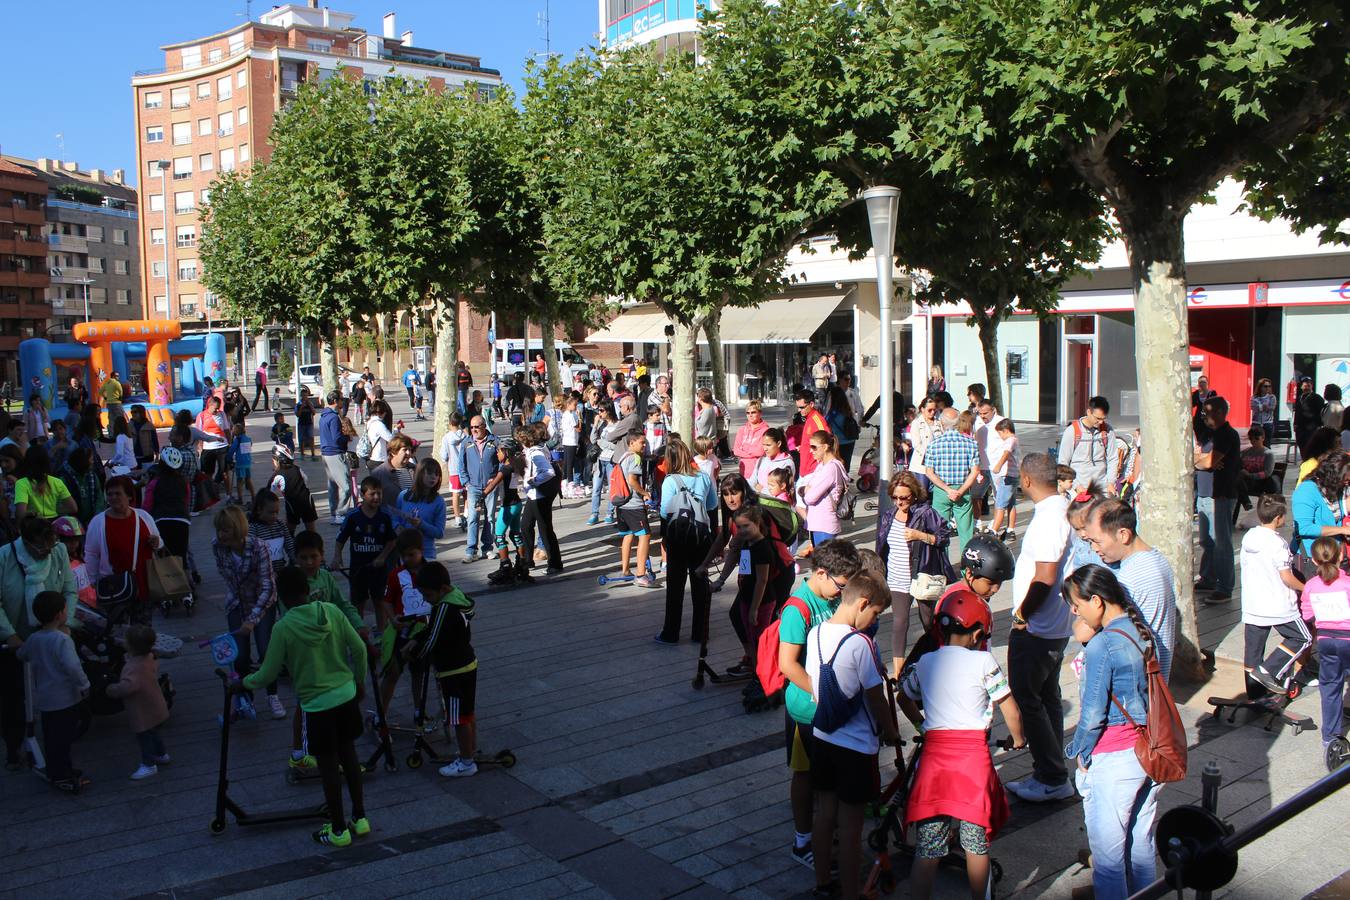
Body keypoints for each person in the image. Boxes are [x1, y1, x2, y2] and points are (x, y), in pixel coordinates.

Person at [899, 589, 1025, 900]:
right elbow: (1010, 708)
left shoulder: (926, 662)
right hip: (972, 766)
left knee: (928, 848)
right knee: (975, 845)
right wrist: (1018, 738)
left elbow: (904, 695)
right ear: (979, 633)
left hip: (934, 766)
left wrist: (922, 725)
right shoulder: (984, 663)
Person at [241, 565, 369, 846]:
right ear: (307, 589)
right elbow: (359, 649)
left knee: (327, 768)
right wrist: (359, 683)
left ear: (281, 598)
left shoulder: (283, 627)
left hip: (316, 706)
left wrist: (243, 683)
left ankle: (337, 830)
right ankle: (359, 818)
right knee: (349, 757)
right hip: (346, 696)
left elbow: (268, 673)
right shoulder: (332, 612)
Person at [1060, 564, 1166, 898]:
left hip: (1116, 757)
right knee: (1140, 845)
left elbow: (1092, 715)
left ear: (1097, 601)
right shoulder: (1142, 631)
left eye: (1077, 605)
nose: (1074, 613)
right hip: (1149, 751)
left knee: (1107, 860)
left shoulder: (1102, 646)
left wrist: (1078, 752)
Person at [805, 573, 897, 900]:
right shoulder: (860, 643)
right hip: (855, 748)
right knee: (851, 827)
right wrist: (890, 731)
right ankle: (851, 892)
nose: (873, 621)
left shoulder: (816, 633)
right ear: (861, 604)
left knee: (825, 815)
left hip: (822, 738)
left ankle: (821, 883)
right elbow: (876, 698)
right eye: (875, 613)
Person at [779, 539, 862, 869]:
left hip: (833, 708)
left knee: (828, 778)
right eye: (841, 586)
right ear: (823, 573)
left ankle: (827, 831)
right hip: (806, 709)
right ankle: (802, 840)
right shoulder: (798, 608)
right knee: (805, 774)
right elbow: (788, 664)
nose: (843, 593)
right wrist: (821, 691)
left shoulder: (833, 598)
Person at [1004, 452, 1075, 803]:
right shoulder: (1062, 510)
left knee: (1027, 698)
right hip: (1054, 625)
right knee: (1047, 696)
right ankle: (1052, 768)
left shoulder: (1050, 519)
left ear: (1027, 480)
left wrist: (1021, 615)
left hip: (1038, 627)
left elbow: (1045, 577)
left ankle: (1051, 774)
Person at [0, 517, 78, 770]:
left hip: (53, 635)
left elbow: (69, 589)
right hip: (17, 636)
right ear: (26, 542)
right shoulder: (4, 556)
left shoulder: (59, 551)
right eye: (41, 547)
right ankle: (13, 747)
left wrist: (66, 623)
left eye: (51, 543)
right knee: (12, 696)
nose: (48, 550)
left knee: (56, 692)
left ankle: (58, 746)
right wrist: (9, 635)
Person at [1084, 499, 1179, 680]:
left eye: (1097, 541)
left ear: (1123, 535)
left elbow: (1086, 630)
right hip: (1153, 678)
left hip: (1135, 686)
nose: (1094, 548)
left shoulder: (1129, 577)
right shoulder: (1157, 559)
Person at [876, 472, 955, 675]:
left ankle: (937, 660)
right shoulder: (889, 515)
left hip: (922, 576)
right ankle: (899, 672)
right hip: (896, 577)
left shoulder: (925, 512)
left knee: (928, 621)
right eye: (895, 497)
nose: (899, 502)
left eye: (904, 497)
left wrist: (920, 536)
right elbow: (882, 547)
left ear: (914, 495)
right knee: (899, 623)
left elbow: (944, 536)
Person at [406, 562, 480, 777]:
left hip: (453, 670)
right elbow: (432, 631)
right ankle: (470, 750)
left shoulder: (444, 607)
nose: (426, 599)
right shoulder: (457, 597)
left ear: (443, 589)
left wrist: (415, 651)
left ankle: (466, 762)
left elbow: (432, 638)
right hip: (467, 664)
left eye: (428, 595)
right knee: (468, 713)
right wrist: (417, 638)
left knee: (458, 718)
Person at [213, 504, 283, 719]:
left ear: (237, 528)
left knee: (265, 651)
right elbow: (229, 579)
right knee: (240, 656)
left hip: (262, 602)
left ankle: (273, 695)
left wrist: (253, 619)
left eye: (226, 529)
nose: (221, 535)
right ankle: (244, 699)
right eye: (219, 529)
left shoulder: (258, 547)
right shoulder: (218, 547)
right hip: (237, 602)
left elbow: (268, 586)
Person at [1237, 494, 1311, 695]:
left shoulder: (1248, 538)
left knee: (1253, 653)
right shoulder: (1277, 544)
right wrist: (1307, 588)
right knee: (1302, 638)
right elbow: (1286, 577)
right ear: (1278, 517)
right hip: (1278, 605)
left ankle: (1254, 696)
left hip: (1253, 604)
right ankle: (1267, 671)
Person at [18, 591, 89, 792]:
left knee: (52, 738)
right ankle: (61, 776)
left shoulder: (34, 639)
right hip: (65, 698)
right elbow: (73, 666)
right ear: (60, 614)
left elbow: (22, 654)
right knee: (64, 739)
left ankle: (58, 769)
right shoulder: (62, 640)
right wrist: (85, 685)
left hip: (46, 699)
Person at [656, 438, 717, 645]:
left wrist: (664, 538)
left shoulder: (670, 481)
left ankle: (671, 632)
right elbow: (712, 507)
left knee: (675, 587)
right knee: (700, 585)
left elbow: (665, 511)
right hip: (701, 537)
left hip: (678, 539)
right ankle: (700, 632)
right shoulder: (704, 477)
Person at [1299, 537, 1350, 753]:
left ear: (1314, 560)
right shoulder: (1347, 583)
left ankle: (1330, 739)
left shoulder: (1311, 585)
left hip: (1327, 640)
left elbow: (1307, 615)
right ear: (1341, 556)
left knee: (1330, 688)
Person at [103, 624, 171, 780]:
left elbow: (128, 687)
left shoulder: (134, 668)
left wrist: (111, 689)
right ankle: (161, 754)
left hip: (142, 710)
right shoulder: (149, 657)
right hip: (154, 704)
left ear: (131, 647)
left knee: (145, 737)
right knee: (153, 732)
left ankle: (149, 765)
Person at [85, 475, 162, 601]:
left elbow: (159, 543)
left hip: (144, 585)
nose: (113, 498)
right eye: (110, 494)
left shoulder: (144, 517)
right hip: (115, 589)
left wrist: (156, 542)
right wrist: (93, 582)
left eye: (118, 494)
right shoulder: (98, 522)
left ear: (129, 496)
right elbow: (91, 555)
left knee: (142, 620)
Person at [1194, 396, 1241, 602]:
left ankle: (1225, 586)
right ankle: (1208, 577)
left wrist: (1205, 461)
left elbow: (1209, 462)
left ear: (1221, 413)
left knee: (1222, 542)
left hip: (1220, 494)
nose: (1204, 416)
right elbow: (1201, 459)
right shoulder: (1208, 434)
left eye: (1208, 412)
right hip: (1204, 492)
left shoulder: (1227, 434)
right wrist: (1201, 460)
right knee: (1207, 540)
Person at [333, 476, 398, 618]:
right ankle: (360, 633)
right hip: (358, 568)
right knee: (358, 603)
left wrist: (382, 557)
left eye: (379, 493)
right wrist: (337, 557)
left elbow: (392, 541)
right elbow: (340, 539)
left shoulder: (385, 516)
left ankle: (381, 632)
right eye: (372, 494)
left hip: (379, 569)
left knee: (380, 601)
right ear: (362, 495)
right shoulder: (353, 517)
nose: (376, 497)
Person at [924, 408, 980, 551]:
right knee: (966, 531)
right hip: (963, 489)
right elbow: (974, 472)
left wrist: (947, 489)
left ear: (942, 422)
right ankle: (967, 567)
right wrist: (959, 491)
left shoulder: (933, 445)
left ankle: (943, 566)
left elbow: (929, 472)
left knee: (940, 530)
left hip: (942, 491)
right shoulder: (971, 444)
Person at [612, 430, 656, 588]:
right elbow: (632, 480)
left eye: (645, 442)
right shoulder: (635, 458)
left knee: (628, 535)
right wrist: (645, 493)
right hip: (634, 505)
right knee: (645, 536)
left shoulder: (623, 456)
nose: (644, 445)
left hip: (622, 504)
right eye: (641, 442)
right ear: (631, 443)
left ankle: (625, 570)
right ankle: (640, 574)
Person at [519, 424, 563, 575]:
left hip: (539, 496)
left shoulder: (535, 453)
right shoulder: (536, 449)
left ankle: (555, 563)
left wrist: (534, 481)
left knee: (545, 529)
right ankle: (527, 560)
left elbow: (549, 472)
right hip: (534, 495)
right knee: (525, 525)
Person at [457, 416, 499, 564]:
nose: (474, 430)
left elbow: (502, 461)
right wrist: (466, 483)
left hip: (491, 487)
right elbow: (461, 465)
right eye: (472, 427)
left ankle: (487, 548)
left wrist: (495, 478)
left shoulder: (495, 441)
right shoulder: (466, 442)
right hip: (473, 487)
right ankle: (471, 550)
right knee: (473, 518)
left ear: (484, 427)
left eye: (477, 427)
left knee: (490, 518)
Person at [798, 430, 848, 549]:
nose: (811, 451)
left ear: (825, 447)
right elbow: (806, 487)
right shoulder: (822, 465)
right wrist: (807, 489)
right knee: (820, 562)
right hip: (817, 522)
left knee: (824, 564)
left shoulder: (830, 468)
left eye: (814, 447)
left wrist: (807, 490)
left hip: (825, 524)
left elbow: (810, 498)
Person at [1057, 396, 1118, 493]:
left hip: (1101, 487)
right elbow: (1063, 462)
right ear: (1089, 412)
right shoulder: (1072, 431)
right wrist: (1076, 486)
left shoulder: (1107, 431)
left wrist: (1111, 482)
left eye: (1103, 418)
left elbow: (1113, 459)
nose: (1101, 422)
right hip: (1077, 488)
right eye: (1098, 418)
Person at [396, 457, 447, 563]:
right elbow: (394, 518)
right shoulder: (403, 496)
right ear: (419, 473)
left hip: (427, 555)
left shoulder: (439, 501)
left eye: (437, 474)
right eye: (429, 473)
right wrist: (397, 527)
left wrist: (421, 524)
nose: (433, 477)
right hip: (405, 554)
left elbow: (439, 533)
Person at [14, 445, 77, 522]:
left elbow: (20, 513)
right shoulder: (57, 482)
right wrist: (54, 510)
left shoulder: (21, 483)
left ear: (27, 462)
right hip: (53, 524)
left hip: (32, 525)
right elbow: (73, 508)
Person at [989, 418, 1019, 540]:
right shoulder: (1016, 440)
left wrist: (998, 466)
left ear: (1005, 430)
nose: (1000, 436)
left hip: (1007, 476)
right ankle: (1010, 529)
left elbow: (1006, 454)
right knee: (1011, 503)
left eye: (1000, 433)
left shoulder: (1010, 440)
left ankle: (994, 531)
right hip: (1014, 476)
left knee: (1000, 504)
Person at [439, 413, 468, 529]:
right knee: (467, 493)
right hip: (466, 469)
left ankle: (458, 518)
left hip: (454, 470)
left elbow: (444, 456)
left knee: (455, 494)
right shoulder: (466, 436)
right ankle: (466, 514)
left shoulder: (447, 438)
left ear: (450, 423)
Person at [195, 395, 230, 486]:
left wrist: (230, 444)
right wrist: (200, 448)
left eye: (218, 408)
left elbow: (227, 430)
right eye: (215, 408)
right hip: (208, 448)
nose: (217, 410)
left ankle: (228, 495)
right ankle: (210, 493)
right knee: (208, 473)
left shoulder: (222, 414)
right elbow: (199, 434)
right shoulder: (201, 415)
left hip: (223, 447)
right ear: (209, 405)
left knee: (225, 473)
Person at [795, 391, 830, 479]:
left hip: (812, 472)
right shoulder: (809, 418)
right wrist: (803, 447)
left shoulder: (817, 420)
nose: (799, 410)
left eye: (802, 407)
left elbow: (828, 443)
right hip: (805, 471)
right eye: (798, 407)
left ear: (811, 404)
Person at [1239, 425, 1278, 500]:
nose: (1253, 441)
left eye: (1256, 438)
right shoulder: (1245, 452)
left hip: (1260, 483)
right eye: (1251, 438)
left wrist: (1251, 475)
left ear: (1263, 438)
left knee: (1238, 484)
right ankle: (1244, 503)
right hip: (1246, 481)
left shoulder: (1268, 454)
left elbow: (1267, 472)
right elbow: (1239, 466)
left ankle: (1246, 502)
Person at [1293, 378, 1324, 455]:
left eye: (1309, 385)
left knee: (1310, 450)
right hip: (1300, 429)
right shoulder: (1299, 397)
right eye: (1305, 385)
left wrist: (1317, 425)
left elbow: (1320, 413)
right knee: (1302, 449)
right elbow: (1297, 412)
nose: (1307, 387)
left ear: (1312, 386)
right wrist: (1295, 423)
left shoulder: (1317, 397)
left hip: (1311, 429)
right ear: (1301, 386)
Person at [364, 399, 395, 471]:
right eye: (385, 413)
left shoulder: (370, 422)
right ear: (382, 412)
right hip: (379, 458)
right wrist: (396, 430)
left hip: (371, 457)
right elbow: (391, 439)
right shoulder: (379, 424)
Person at [1250, 378, 1276, 445]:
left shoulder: (1272, 397)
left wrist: (1260, 407)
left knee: (1267, 444)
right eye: (1265, 386)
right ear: (1260, 387)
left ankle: (1266, 455)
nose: (1267, 388)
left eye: (1269, 386)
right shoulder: (1254, 397)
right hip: (1256, 423)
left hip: (1268, 423)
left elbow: (1272, 408)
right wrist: (1263, 407)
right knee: (1255, 443)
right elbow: (1253, 407)